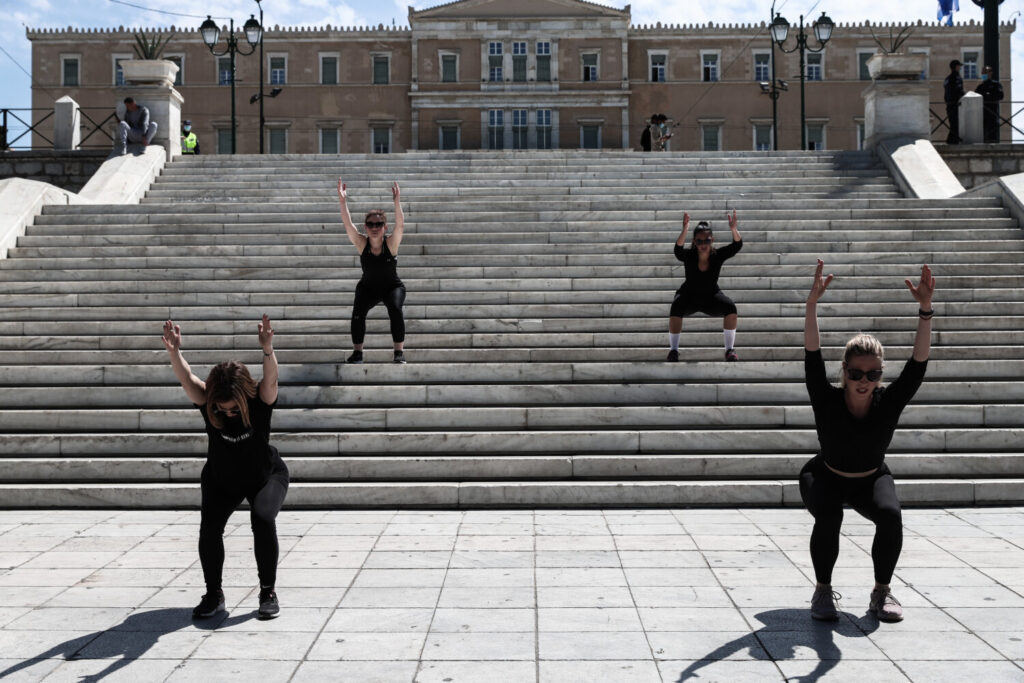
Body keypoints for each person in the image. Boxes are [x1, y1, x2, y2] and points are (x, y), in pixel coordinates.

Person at [801, 260, 935, 623]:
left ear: (880, 374)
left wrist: (925, 310)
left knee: (890, 516)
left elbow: (918, 365)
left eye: (873, 374)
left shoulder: (888, 400)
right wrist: (812, 304)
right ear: (844, 371)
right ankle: (823, 590)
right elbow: (812, 355)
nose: (864, 380)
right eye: (857, 373)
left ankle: (881, 592)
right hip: (825, 474)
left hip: (871, 477)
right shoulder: (826, 397)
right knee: (829, 515)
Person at [162, 314, 289, 620]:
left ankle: (267, 591)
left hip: (264, 476)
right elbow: (187, 379)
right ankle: (214, 594)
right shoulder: (210, 401)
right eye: (222, 409)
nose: (227, 413)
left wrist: (268, 349)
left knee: (262, 518)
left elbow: (271, 379)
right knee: (209, 530)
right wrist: (174, 353)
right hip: (222, 478)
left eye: (234, 409)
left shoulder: (260, 400)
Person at [337, 179, 407, 364]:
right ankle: (358, 353)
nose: (374, 228)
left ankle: (398, 352)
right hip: (368, 288)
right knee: (358, 312)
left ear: (384, 227)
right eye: (370, 224)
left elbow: (400, 226)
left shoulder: (390, 244)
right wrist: (343, 202)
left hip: (392, 287)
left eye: (378, 224)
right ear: (366, 227)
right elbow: (348, 225)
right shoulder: (362, 243)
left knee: (395, 308)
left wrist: (397, 202)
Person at [667, 210, 743, 362]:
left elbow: (737, 245)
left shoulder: (718, 255)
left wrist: (734, 229)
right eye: (699, 241)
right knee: (676, 306)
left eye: (707, 241)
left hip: (711, 297)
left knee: (731, 308)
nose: (703, 245)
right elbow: (678, 251)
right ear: (694, 242)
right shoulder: (689, 256)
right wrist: (685, 230)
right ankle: (673, 351)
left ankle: (730, 350)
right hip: (689, 295)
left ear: (712, 240)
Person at [975, 66, 1004, 143]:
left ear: (990, 73)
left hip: (993, 113)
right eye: (982, 73)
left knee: (993, 137)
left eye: (985, 72)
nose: (983, 74)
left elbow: (1000, 96)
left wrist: (989, 95)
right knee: (983, 136)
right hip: (982, 114)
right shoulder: (980, 87)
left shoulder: (996, 84)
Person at [943, 60, 965, 144]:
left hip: (949, 104)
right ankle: (952, 141)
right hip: (956, 104)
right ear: (956, 67)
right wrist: (964, 96)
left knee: (953, 123)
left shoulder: (947, 79)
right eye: (959, 66)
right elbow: (959, 90)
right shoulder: (956, 77)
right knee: (956, 124)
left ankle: (952, 140)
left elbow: (945, 94)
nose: (960, 68)